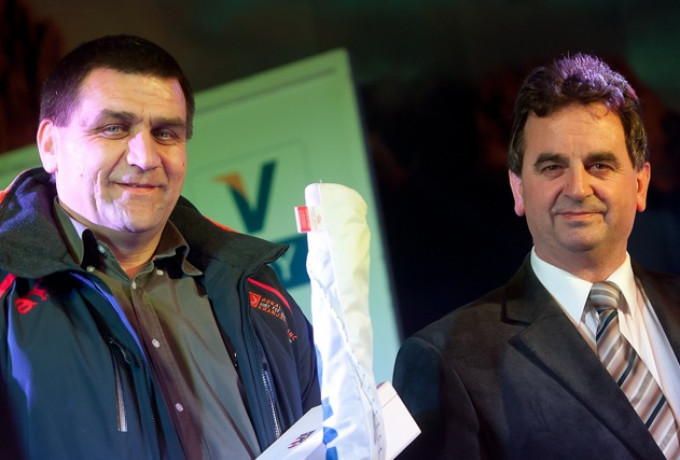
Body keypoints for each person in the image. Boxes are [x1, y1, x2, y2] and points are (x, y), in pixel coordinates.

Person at [0, 35, 320, 459]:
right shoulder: (7, 292)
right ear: (49, 145)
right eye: (114, 129)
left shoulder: (254, 286)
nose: (145, 157)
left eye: (165, 133)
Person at [393, 53, 680, 459]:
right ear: (518, 190)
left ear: (639, 184)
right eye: (551, 168)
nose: (577, 188)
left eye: (599, 165)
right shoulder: (447, 360)